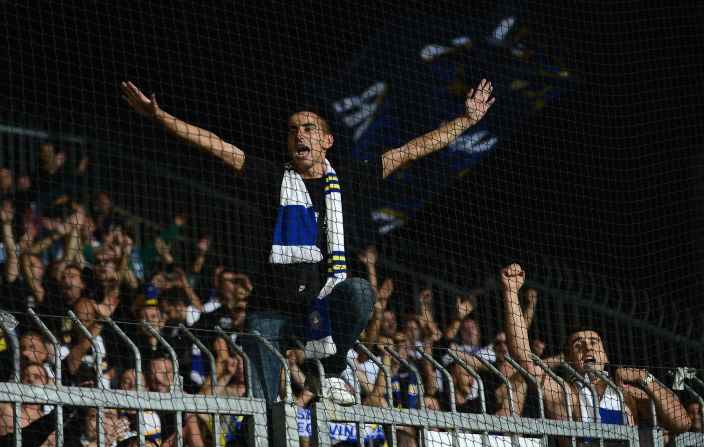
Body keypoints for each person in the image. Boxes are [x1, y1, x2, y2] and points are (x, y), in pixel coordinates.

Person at [120, 78, 495, 408]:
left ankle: (328, 370)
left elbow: (411, 151)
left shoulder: (347, 180)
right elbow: (215, 145)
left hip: (321, 311)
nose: (300, 134)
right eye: (293, 129)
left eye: (309, 128)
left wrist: (466, 121)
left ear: (327, 141)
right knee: (264, 409)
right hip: (268, 311)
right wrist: (160, 117)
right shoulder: (271, 178)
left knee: (361, 292)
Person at [499, 263, 691, 445]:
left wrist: (644, 377)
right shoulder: (564, 394)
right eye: (578, 345)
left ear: (605, 356)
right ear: (569, 359)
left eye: (594, 343)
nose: (588, 348)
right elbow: (523, 356)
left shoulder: (627, 394)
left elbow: (681, 423)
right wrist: (511, 292)